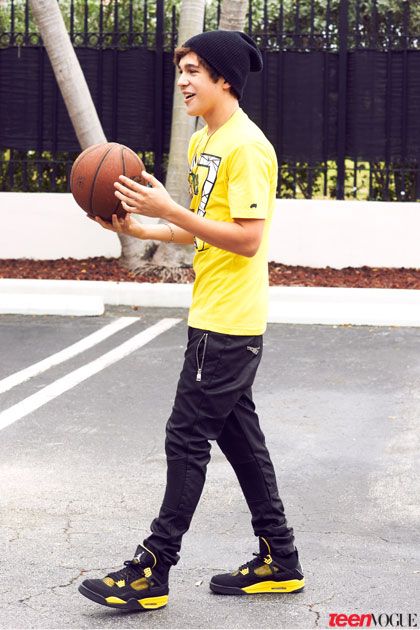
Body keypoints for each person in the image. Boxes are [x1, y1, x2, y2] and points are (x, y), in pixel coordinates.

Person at [78, 29, 304, 613]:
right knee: (242, 442)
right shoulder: (208, 139)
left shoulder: (246, 147)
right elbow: (203, 225)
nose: (182, 80)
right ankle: (280, 557)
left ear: (224, 79)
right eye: (180, 69)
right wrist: (144, 227)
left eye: (194, 70)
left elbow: (249, 240)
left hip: (229, 323)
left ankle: (153, 568)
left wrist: (170, 208)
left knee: (185, 439)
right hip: (213, 313)